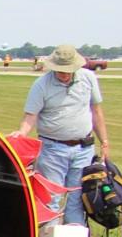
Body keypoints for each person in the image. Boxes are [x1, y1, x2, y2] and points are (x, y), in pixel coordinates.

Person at [11, 44, 112, 226]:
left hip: (84, 148)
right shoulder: (41, 85)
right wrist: (22, 132)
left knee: (77, 195)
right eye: (60, 70)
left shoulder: (89, 79)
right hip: (52, 148)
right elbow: (31, 115)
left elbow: (96, 111)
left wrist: (104, 141)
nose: (63, 74)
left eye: (67, 70)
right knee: (51, 196)